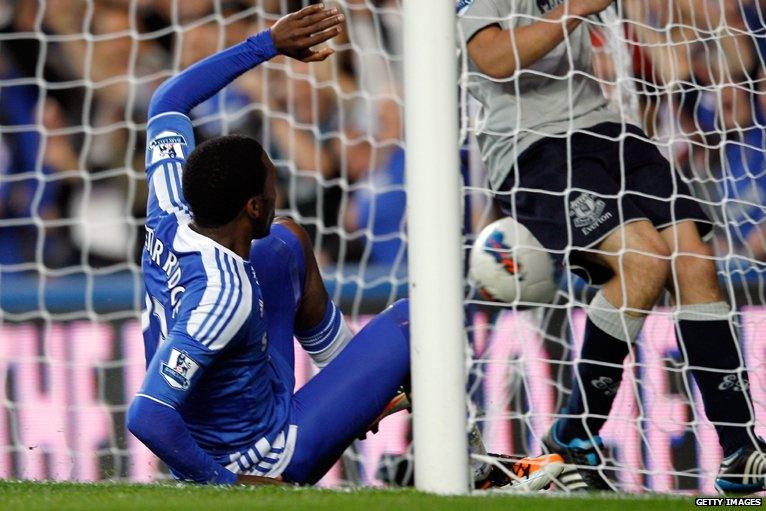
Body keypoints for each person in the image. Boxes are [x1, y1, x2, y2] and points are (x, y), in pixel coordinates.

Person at [127, 4, 560, 489]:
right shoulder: (224, 295)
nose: (278, 191)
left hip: (233, 399)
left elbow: (167, 102)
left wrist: (267, 44)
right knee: (420, 321)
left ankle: (359, 387)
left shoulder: (170, 201)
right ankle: (476, 471)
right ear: (252, 206)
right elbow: (148, 416)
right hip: (266, 454)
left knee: (286, 241)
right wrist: (228, 484)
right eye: (272, 184)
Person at [458, 0, 765, 493]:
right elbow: (494, 58)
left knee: (694, 259)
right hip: (533, 145)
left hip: (607, 128)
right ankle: (575, 431)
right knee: (641, 260)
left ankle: (738, 449)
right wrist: (578, 9)